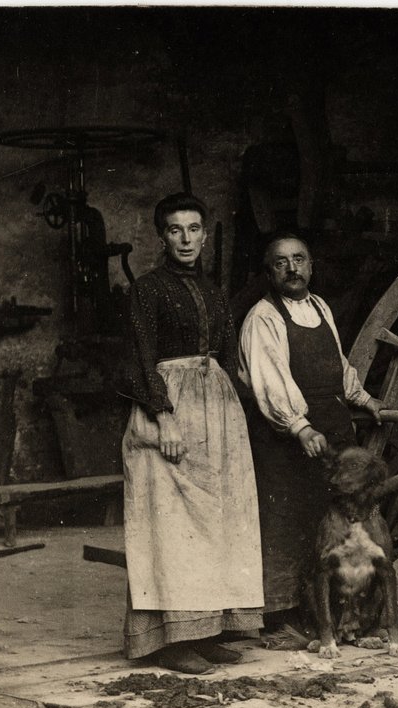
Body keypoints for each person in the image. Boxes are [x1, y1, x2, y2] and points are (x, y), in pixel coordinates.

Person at [118, 192, 264, 674]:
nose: (186, 239)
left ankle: (209, 628)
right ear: (161, 236)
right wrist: (164, 416)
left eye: (194, 229)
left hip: (215, 411)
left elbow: (223, 353)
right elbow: (140, 358)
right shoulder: (147, 289)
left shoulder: (213, 289)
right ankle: (171, 640)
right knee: (172, 525)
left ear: (204, 233)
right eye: (176, 230)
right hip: (170, 410)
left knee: (216, 520)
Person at [237, 233, 383, 626]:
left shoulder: (320, 306)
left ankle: (333, 609)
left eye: (299, 259)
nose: (292, 268)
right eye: (281, 262)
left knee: (331, 518)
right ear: (269, 272)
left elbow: (337, 363)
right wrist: (299, 427)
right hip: (288, 437)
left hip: (332, 427)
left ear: (311, 265)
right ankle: (282, 613)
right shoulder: (263, 317)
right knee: (291, 520)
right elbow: (270, 381)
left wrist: (364, 398)